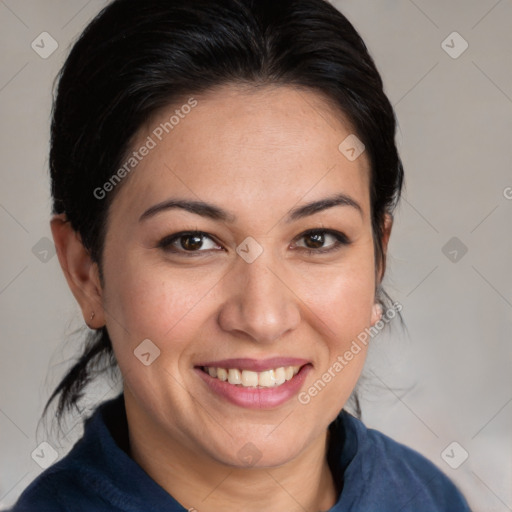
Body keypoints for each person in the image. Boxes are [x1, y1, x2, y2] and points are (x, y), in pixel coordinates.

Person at [8, 0, 471, 510]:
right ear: (85, 273)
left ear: (378, 256)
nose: (263, 317)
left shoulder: (428, 497)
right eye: (193, 242)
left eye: (317, 238)